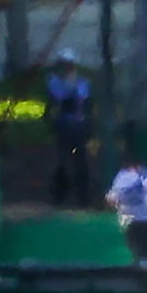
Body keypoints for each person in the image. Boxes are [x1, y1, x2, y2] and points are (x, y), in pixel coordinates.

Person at [43, 52, 94, 205]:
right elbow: (58, 99)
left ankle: (83, 198)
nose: (67, 67)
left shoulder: (83, 83)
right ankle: (59, 196)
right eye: (65, 64)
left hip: (78, 127)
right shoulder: (54, 82)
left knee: (80, 161)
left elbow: (85, 101)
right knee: (62, 161)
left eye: (70, 64)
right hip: (63, 126)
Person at [107, 152, 147, 263]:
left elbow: (111, 200)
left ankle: (140, 268)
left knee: (137, 251)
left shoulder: (121, 179)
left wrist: (121, 211)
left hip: (131, 222)